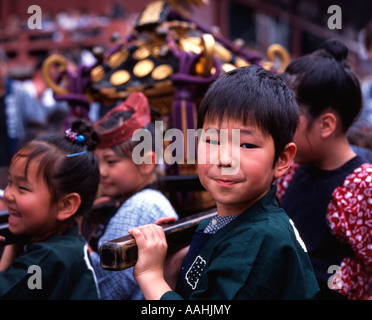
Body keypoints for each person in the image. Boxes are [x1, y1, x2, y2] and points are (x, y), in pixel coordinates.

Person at [128, 65, 320, 300]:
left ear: (281, 159)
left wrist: (151, 276)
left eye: (247, 145)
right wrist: (169, 269)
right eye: (212, 141)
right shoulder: (224, 222)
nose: (225, 159)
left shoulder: (258, 241)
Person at [277, 39, 372, 300]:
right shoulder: (290, 170)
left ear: (326, 124)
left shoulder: (363, 186)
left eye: (287, 118)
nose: (278, 128)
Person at [87, 92, 178, 300]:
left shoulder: (140, 206)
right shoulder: (138, 200)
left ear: (146, 163)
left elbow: (105, 292)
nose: (101, 171)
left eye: (110, 162)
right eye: (98, 162)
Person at [0, 120, 101, 299]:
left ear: (66, 206)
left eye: (22, 188)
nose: (8, 195)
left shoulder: (46, 259)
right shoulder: (63, 243)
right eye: (10, 183)